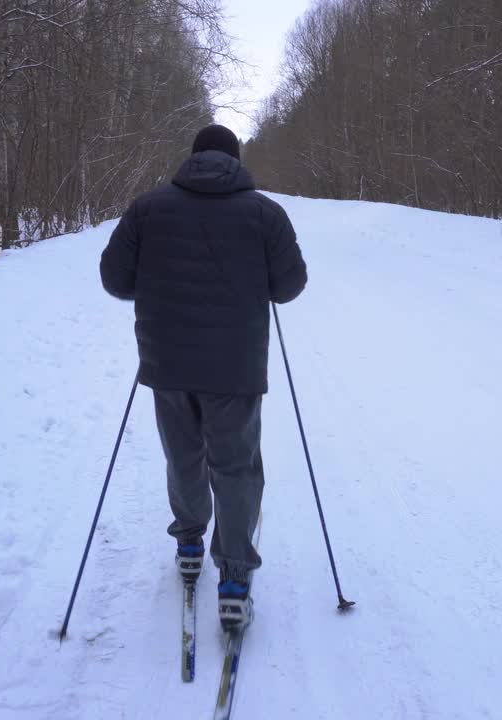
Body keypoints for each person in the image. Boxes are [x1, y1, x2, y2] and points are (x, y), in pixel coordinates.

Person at [99, 124, 307, 631]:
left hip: (167, 362)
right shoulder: (264, 213)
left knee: (184, 456)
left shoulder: (148, 208)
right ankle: (234, 579)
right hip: (235, 367)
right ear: (236, 161)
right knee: (235, 467)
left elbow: (114, 277)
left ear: (192, 158)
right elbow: (290, 285)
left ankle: (189, 544)